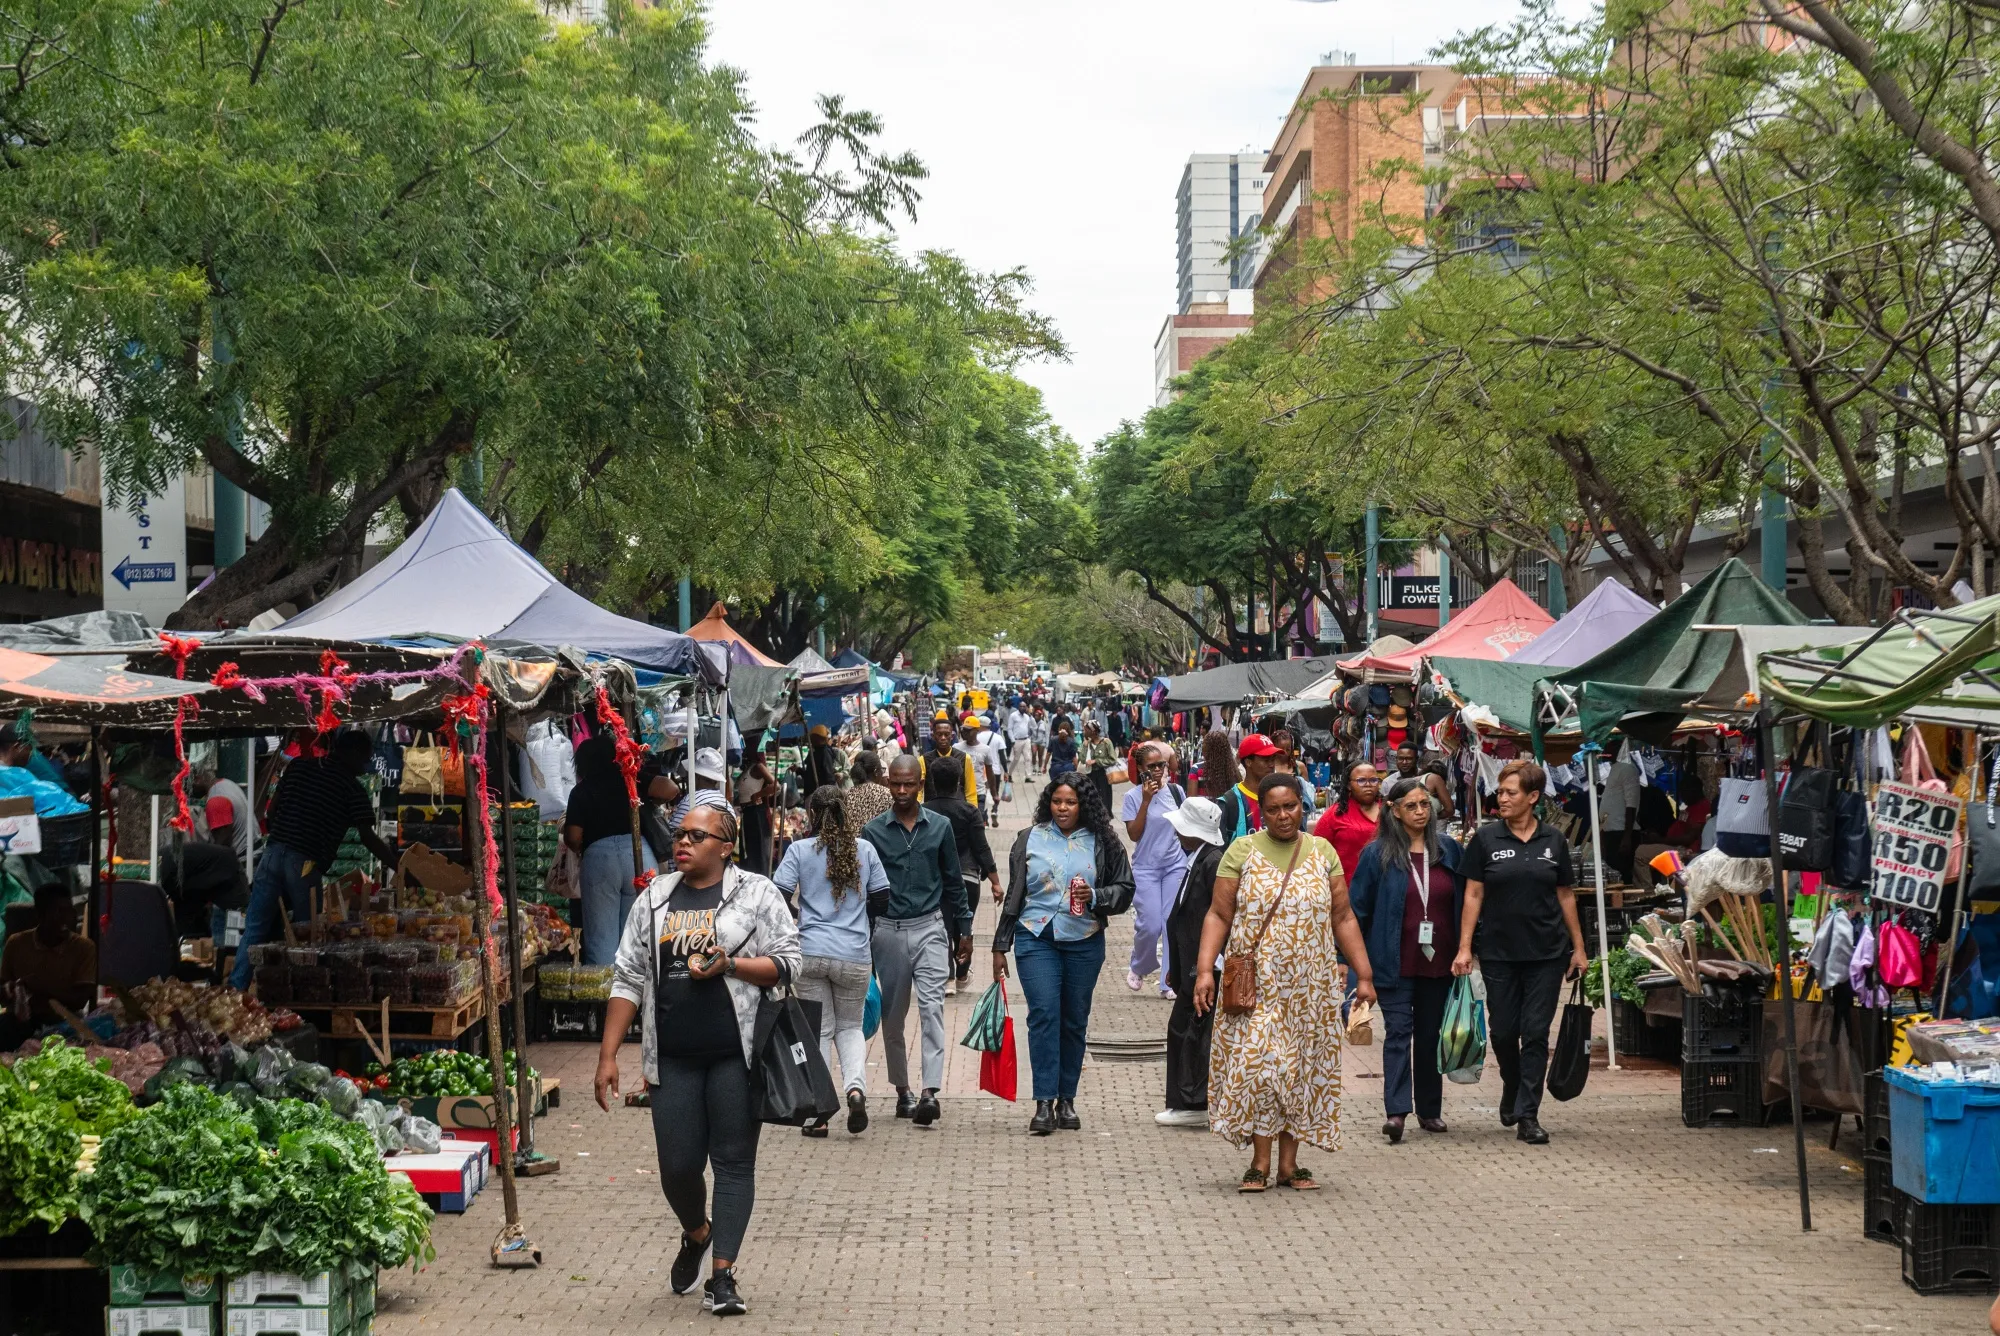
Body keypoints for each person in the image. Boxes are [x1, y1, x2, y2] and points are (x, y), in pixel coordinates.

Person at [598, 794, 799, 1317]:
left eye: (695, 835)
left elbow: (789, 962)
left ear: (726, 847)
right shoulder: (655, 899)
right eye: (679, 833)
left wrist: (732, 965)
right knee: (678, 1167)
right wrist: (608, 1055)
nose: (681, 842)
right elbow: (628, 976)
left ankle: (723, 1276)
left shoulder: (757, 895)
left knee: (733, 1163)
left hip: (738, 1054)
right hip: (675, 1058)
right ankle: (696, 1232)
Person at [1192, 773, 1375, 1191]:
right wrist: (1205, 970)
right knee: (1262, 1068)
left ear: (1302, 806)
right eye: (1272, 809)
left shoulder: (1321, 852)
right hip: (1255, 988)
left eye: (1290, 806)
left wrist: (1363, 974)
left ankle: (1289, 1165)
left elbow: (1343, 916)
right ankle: (1259, 1160)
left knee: (1299, 1072)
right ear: (1262, 811)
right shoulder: (1241, 851)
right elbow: (1218, 915)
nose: (1282, 816)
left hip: (1310, 988)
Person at [1451, 759, 1589, 1145]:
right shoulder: (1487, 839)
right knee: (1504, 1030)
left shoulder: (1554, 841)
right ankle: (1512, 1084)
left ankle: (1529, 1114)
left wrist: (1578, 949)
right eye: (1501, 791)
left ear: (1532, 797)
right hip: (1497, 952)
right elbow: (1473, 894)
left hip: (1547, 953)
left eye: (1511, 793)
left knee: (1535, 1033)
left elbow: (1565, 895)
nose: (1502, 798)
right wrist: (1464, 948)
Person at [993, 773, 1134, 1135]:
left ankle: (1066, 1100)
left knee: (1074, 1020)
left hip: (1084, 939)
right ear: (1048, 802)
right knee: (1043, 1015)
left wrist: (1097, 897)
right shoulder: (1029, 839)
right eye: (1057, 801)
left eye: (1070, 802)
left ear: (1083, 804)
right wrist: (999, 944)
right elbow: (1015, 894)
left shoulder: (1103, 841)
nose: (1063, 808)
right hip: (1035, 937)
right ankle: (1043, 1102)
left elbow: (1125, 887)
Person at [230, 730, 396, 990]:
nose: (365, 767)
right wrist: (400, 866)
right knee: (307, 936)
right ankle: (301, 995)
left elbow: (271, 812)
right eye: (364, 759)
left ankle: (236, 991)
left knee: (255, 929)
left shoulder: (298, 768)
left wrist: (287, 832)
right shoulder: (351, 788)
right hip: (305, 863)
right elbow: (369, 839)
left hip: (272, 853)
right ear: (351, 753)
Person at [1348, 776, 1463, 1143]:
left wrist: (1467, 947)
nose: (1419, 812)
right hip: (1392, 961)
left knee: (1430, 1036)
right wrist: (1351, 963)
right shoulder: (1377, 854)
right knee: (1398, 1034)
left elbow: (1466, 900)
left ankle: (1430, 1110)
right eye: (1411, 806)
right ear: (1394, 812)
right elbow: (1356, 911)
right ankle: (1396, 1111)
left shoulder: (1448, 850)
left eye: (1425, 805)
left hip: (1439, 962)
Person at [774, 786, 889, 1137]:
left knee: (819, 1031)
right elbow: (882, 899)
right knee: (850, 1028)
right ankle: (855, 1090)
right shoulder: (865, 849)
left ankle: (820, 1113)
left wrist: (803, 913)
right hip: (854, 954)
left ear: (812, 815)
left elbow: (778, 897)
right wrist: (857, 919)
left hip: (810, 951)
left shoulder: (799, 851)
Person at [862, 755, 970, 1127]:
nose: (903, 791)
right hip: (887, 933)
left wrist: (965, 931)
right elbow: (864, 890)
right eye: (896, 783)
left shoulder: (939, 827)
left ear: (920, 784)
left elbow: (954, 881)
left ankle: (930, 1092)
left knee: (932, 1009)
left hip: (930, 928)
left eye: (909, 784)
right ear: (888, 783)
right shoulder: (872, 832)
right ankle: (902, 1090)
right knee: (893, 1018)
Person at [1156, 797, 1226, 1128]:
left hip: (1204, 966)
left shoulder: (1212, 863)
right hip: (1190, 964)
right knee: (1186, 1030)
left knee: (1193, 1031)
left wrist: (1207, 967)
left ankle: (1194, 1100)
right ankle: (1188, 1099)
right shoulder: (1197, 859)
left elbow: (1220, 917)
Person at [565, 735, 659, 967]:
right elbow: (669, 788)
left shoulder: (581, 791)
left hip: (600, 860)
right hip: (639, 854)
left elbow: (573, 837)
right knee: (638, 936)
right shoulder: (630, 780)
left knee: (601, 940)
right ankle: (639, 997)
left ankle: (606, 999)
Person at [924, 755, 998, 996]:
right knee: (962, 927)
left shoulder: (924, 812)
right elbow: (981, 847)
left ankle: (946, 977)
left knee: (940, 928)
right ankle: (963, 973)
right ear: (959, 781)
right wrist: (996, 882)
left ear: (932, 781)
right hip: (967, 877)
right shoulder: (969, 811)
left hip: (935, 880)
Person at [1121, 741, 1188, 996]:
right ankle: (1139, 965)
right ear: (1140, 768)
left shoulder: (1176, 792)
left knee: (1171, 923)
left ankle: (1168, 982)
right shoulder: (1132, 797)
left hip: (1175, 865)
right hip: (1146, 869)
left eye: (1161, 764)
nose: (1159, 770)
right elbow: (1134, 835)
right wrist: (1146, 801)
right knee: (1150, 925)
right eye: (1152, 766)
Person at [1, 883, 96, 1049]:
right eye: (58, 911)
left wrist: (40, 990)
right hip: (19, 1021)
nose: (67, 917)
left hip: (64, 1023)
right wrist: (10, 990)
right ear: (40, 915)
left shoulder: (84, 948)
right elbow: (1, 989)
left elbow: (80, 1000)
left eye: (69, 910)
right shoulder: (16, 944)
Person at [1313, 760, 1384, 885]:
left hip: (1385, 887)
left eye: (1373, 780)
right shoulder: (1335, 814)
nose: (1368, 785)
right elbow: (1316, 853)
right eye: (1361, 781)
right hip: (1347, 889)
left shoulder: (1389, 810)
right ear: (1349, 785)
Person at [1214, 734, 1280, 842]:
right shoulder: (1230, 802)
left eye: (1273, 759)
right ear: (1248, 762)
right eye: (1266, 760)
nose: (1271, 764)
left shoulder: (1279, 796)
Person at [1597, 749, 1641, 880]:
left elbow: (1631, 804)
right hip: (1611, 831)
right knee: (1612, 873)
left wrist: (1626, 837)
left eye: (1612, 747)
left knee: (1621, 875)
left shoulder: (1628, 769)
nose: (1606, 750)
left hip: (1622, 832)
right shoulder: (1615, 769)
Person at [1392, 744, 1454, 822]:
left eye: (1409, 759)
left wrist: (1426, 819)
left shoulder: (1431, 779)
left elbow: (1449, 810)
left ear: (1416, 759)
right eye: (1401, 759)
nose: (1404, 762)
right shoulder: (1388, 783)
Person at [844, 753, 893, 831]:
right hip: (876, 842)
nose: (882, 773)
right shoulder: (887, 795)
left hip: (852, 842)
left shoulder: (845, 796)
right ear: (876, 771)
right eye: (882, 770)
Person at [1079, 720, 1117, 815]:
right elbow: (1082, 759)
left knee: (1104, 798)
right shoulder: (1087, 743)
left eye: (1086, 730)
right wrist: (1085, 745)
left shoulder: (1106, 742)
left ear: (1093, 731)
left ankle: (1105, 818)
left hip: (1103, 775)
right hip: (1090, 775)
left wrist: (1096, 761)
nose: (1084, 732)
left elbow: (1113, 759)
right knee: (1090, 798)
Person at [1198, 729, 1240, 799]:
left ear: (1208, 749)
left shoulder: (1196, 769)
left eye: (1204, 744)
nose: (1202, 748)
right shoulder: (1234, 771)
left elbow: (1191, 801)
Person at [1006, 704, 1031, 778]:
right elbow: (1009, 729)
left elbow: (1029, 727)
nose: (1023, 708)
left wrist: (1029, 737)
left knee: (1028, 758)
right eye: (1021, 706)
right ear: (1018, 707)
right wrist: (1012, 739)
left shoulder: (1027, 716)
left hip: (1026, 740)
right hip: (1017, 741)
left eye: (1024, 706)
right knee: (1016, 759)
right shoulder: (1013, 716)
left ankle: (1028, 777)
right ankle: (1009, 774)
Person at [1030, 707, 1051, 775]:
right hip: (1034, 741)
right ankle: (1034, 768)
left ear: (1040, 716)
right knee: (1033, 754)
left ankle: (1039, 769)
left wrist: (1047, 744)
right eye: (1035, 715)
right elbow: (1029, 731)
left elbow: (1047, 734)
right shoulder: (1031, 723)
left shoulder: (1044, 724)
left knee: (1040, 755)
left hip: (1042, 742)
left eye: (1037, 715)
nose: (1036, 716)